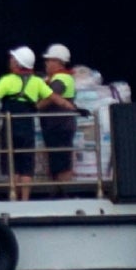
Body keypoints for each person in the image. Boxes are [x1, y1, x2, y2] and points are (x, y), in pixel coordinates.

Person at [0, 46, 52, 200]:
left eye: (12, 58)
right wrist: (37, 106)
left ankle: (14, 197)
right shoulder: (36, 81)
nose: (10, 60)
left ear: (18, 63)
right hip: (27, 127)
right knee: (26, 164)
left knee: (12, 162)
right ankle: (25, 199)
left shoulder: (7, 81)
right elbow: (52, 97)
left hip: (11, 127)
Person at [40, 43, 80, 186]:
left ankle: (64, 192)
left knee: (62, 162)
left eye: (49, 60)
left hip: (61, 126)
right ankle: (56, 191)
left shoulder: (63, 78)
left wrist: (35, 107)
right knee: (55, 161)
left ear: (58, 62)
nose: (46, 63)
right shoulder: (52, 78)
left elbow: (51, 95)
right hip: (53, 126)